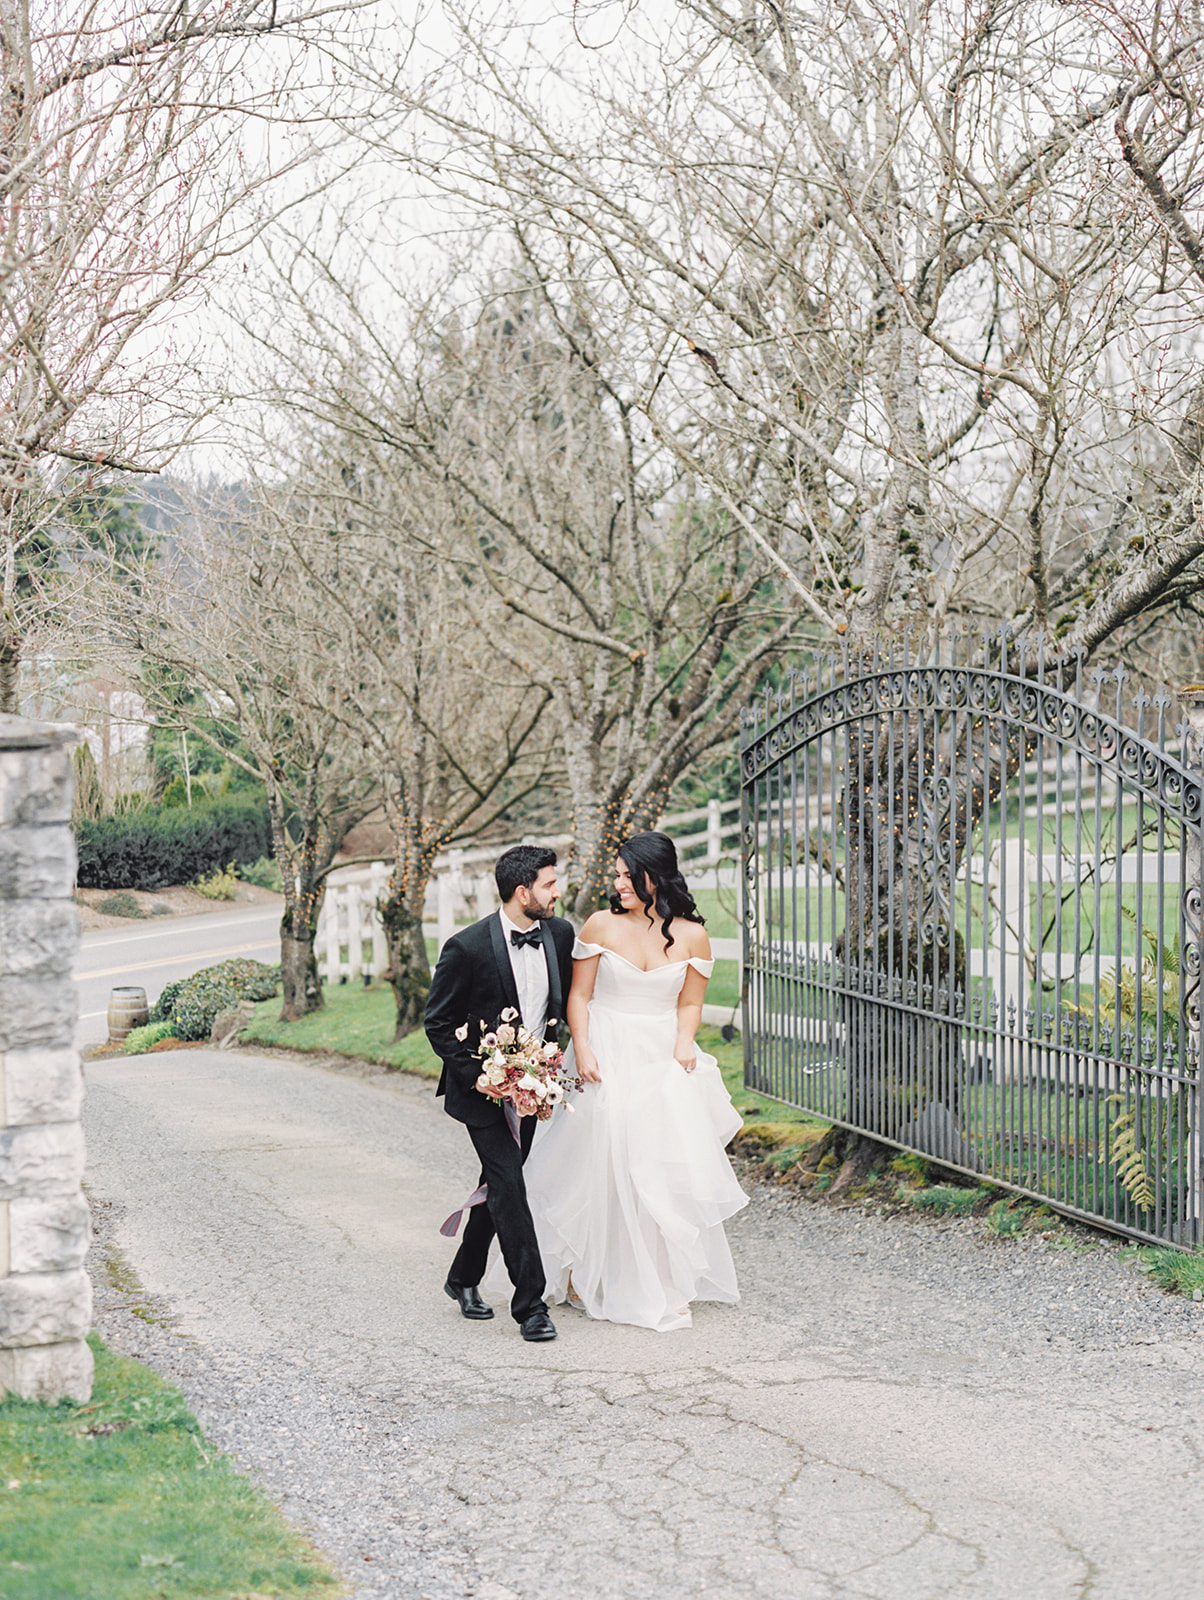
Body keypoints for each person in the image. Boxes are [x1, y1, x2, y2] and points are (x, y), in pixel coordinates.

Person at [506, 830, 749, 1332]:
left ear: (652, 877)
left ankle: (660, 1277)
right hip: (604, 1050)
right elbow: (579, 996)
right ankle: (587, 1271)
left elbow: (690, 1001)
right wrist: (585, 1047)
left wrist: (685, 1043)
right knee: (597, 1164)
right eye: (615, 874)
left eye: (624, 874)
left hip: (661, 1055)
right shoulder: (599, 926)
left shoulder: (692, 935)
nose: (616, 882)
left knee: (656, 1167)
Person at [425, 844, 575, 1342]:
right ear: (521, 891)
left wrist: (546, 1069)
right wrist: (481, 1076)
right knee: (510, 1185)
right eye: (550, 884)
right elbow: (438, 1023)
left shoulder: (558, 934)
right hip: (483, 1094)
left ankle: (463, 1278)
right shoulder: (465, 948)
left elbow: (560, 1010)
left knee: (498, 1186)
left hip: (532, 1090)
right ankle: (530, 1306)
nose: (558, 892)